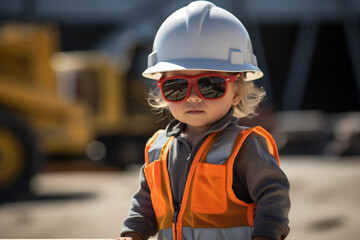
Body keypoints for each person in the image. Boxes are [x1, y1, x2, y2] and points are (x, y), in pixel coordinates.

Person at [120, 1, 290, 239]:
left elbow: (274, 195)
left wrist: (267, 234)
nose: (192, 97)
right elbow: (145, 203)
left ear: (237, 93)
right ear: (162, 92)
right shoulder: (157, 149)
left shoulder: (245, 147)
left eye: (210, 85)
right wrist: (133, 233)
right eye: (177, 87)